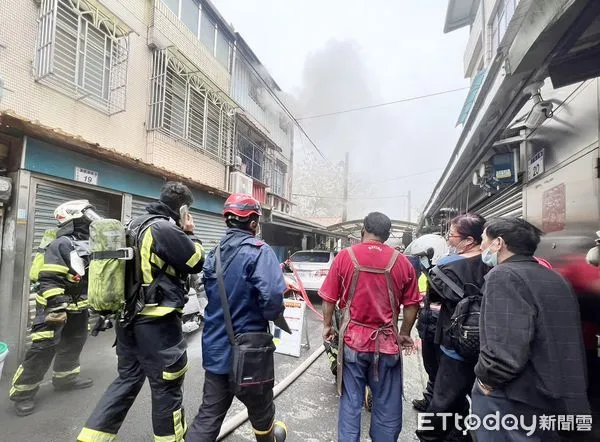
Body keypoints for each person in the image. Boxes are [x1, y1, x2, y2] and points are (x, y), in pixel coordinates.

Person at [78, 182, 205, 442]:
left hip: (126, 322)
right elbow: (195, 262)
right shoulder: (164, 228)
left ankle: (89, 438)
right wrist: (190, 233)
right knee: (166, 387)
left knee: (127, 380)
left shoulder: (133, 224)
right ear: (182, 208)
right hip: (157, 325)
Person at [473, 217, 590, 442]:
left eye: (483, 240)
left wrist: (487, 380)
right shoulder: (554, 276)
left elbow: (506, 346)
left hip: (515, 395)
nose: (481, 247)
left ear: (498, 243)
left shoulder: (504, 276)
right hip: (554, 392)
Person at [186, 193, 287, 442]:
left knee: (209, 415)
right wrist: (271, 315)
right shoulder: (260, 252)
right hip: (251, 352)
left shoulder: (213, 254)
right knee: (262, 411)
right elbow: (273, 298)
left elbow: (207, 292)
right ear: (253, 223)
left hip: (217, 347)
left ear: (227, 220)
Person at [319, 212, 421, 442]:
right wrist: (404, 334)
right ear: (387, 234)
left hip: (353, 343)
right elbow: (412, 305)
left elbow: (328, 297)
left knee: (350, 402)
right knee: (387, 404)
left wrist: (327, 326)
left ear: (363, 229)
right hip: (386, 345)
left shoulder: (346, 256)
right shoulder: (402, 261)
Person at [10, 200, 98, 416]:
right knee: (43, 348)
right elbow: (49, 278)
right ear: (73, 219)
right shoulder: (61, 244)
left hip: (78, 306)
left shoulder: (88, 243)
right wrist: (56, 307)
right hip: (54, 305)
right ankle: (23, 393)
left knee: (74, 341)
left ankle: (65, 378)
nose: (91, 221)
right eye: (87, 217)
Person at [416, 213, 489, 442]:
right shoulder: (495, 264)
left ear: (468, 240)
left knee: (444, 396)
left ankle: (432, 435)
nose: (449, 239)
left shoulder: (449, 264)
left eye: (452, 235)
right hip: (487, 345)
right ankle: (460, 433)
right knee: (473, 395)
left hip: (455, 341)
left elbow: (434, 297)